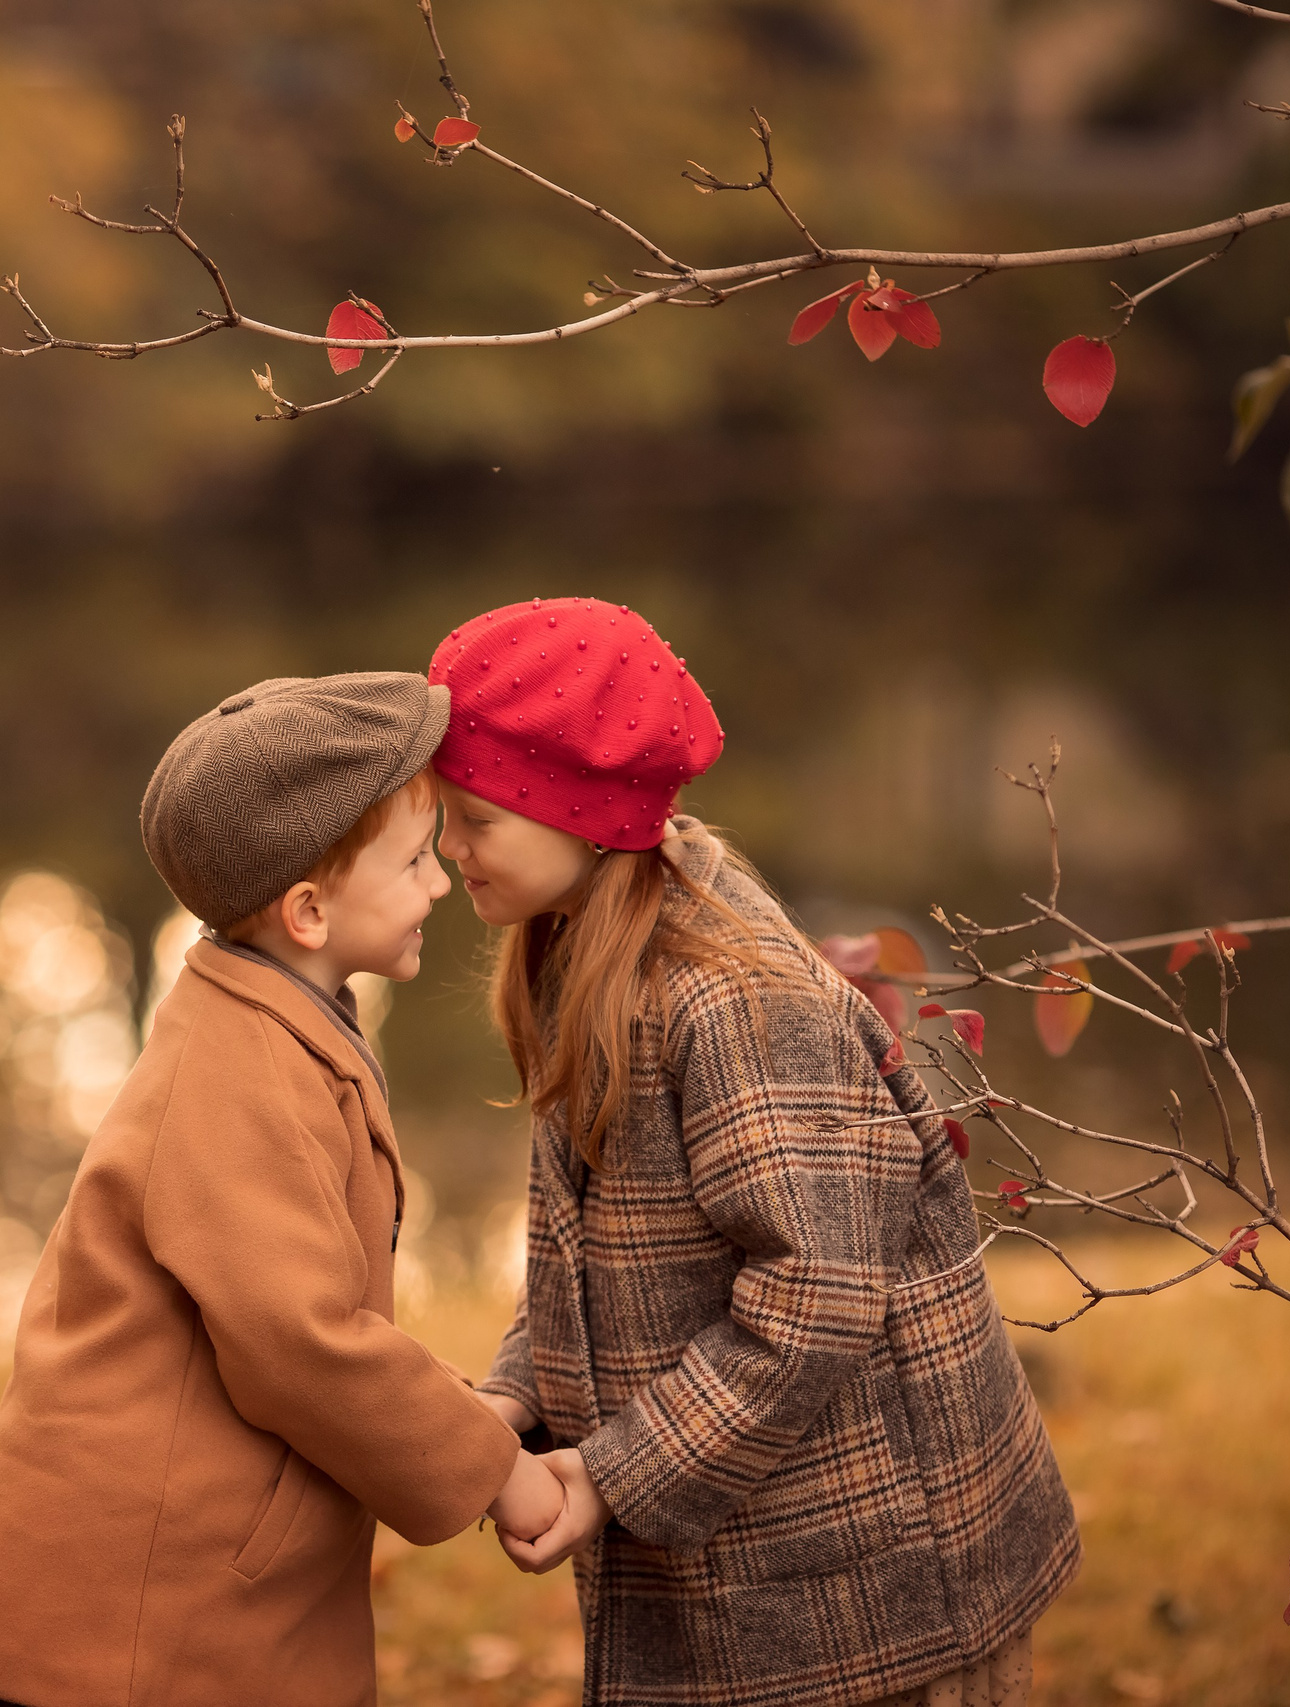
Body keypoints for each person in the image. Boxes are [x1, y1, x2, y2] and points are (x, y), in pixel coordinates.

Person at [431, 599, 1078, 1707]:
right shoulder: (584, 952)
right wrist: (513, 1400)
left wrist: (610, 1475)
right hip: (761, 1561)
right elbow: (591, 1262)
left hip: (880, 1588)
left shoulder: (732, 1003)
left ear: (579, 812)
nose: (450, 849)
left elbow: (817, 1293)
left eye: (473, 818)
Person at [0, 672, 566, 1707]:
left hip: (189, 1586)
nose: (439, 885)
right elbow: (300, 1338)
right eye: (415, 861)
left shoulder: (272, 1022)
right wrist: (498, 1469)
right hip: (131, 1625)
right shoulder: (233, 1077)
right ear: (309, 912)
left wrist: (466, 1409)